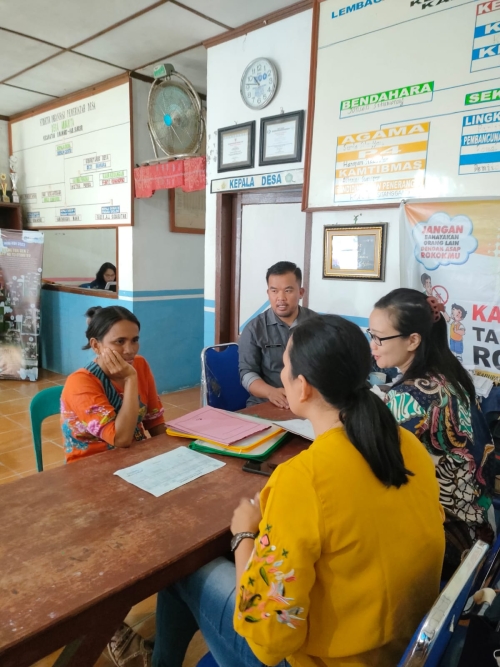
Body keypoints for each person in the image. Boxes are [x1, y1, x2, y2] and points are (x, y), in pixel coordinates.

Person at [147, 315, 445, 667]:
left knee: (183, 570)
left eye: (285, 367)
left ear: (302, 387)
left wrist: (244, 533)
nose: (281, 375)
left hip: (326, 660)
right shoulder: (405, 443)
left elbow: (270, 637)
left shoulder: (303, 479)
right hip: (400, 644)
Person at [369, 288, 495, 571]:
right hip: (481, 523)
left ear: (413, 340)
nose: (372, 345)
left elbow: (379, 473)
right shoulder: (451, 375)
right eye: (370, 334)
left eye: (379, 338)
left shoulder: (407, 398)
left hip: (448, 540)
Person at [61, 305, 166, 463]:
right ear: (96, 345)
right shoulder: (80, 383)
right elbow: (120, 439)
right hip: (92, 468)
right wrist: (130, 379)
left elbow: (154, 421)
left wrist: (174, 452)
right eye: (120, 341)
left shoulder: (140, 364)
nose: (129, 350)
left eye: (134, 340)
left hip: (135, 458)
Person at [238, 261, 315, 408]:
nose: (281, 298)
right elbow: (247, 373)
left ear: (301, 292)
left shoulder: (317, 324)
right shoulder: (254, 329)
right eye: (274, 291)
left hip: (309, 403)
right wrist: (270, 392)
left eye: (288, 290)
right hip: (268, 403)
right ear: (268, 293)